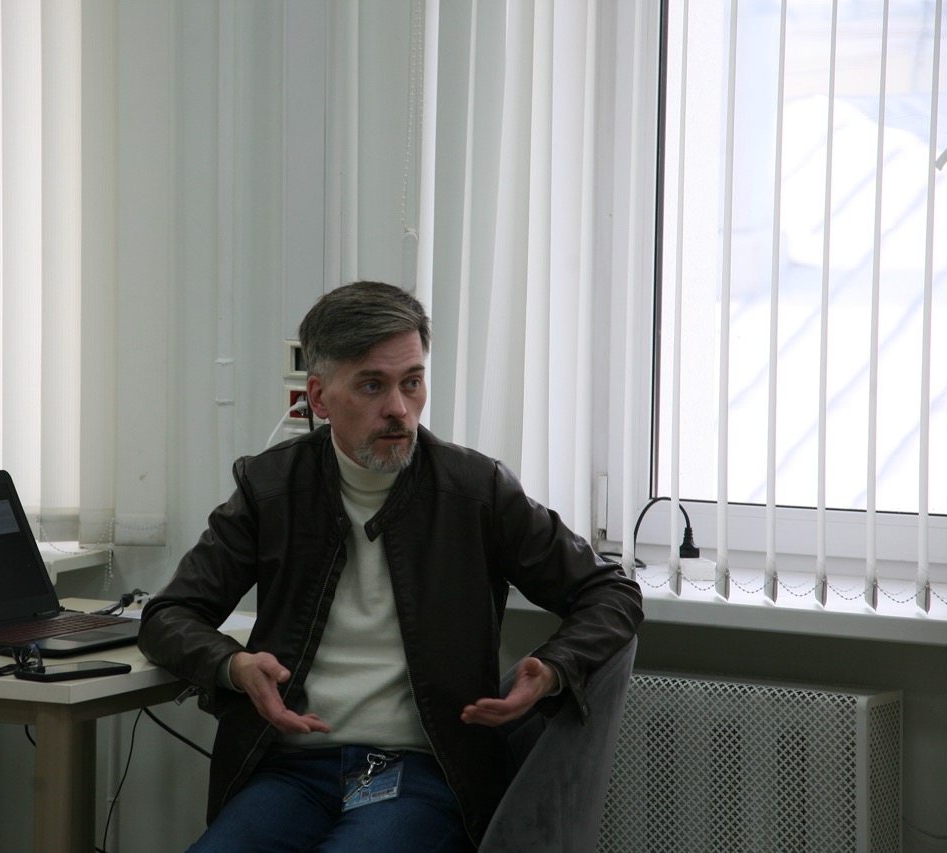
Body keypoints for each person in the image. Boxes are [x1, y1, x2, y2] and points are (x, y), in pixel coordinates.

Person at [137, 281, 643, 851]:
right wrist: (235, 666)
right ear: (319, 398)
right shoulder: (271, 488)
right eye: (372, 385)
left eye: (412, 382)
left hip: (425, 770)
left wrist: (552, 667)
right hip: (291, 768)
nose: (399, 409)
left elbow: (611, 592)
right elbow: (168, 616)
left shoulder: (475, 491)